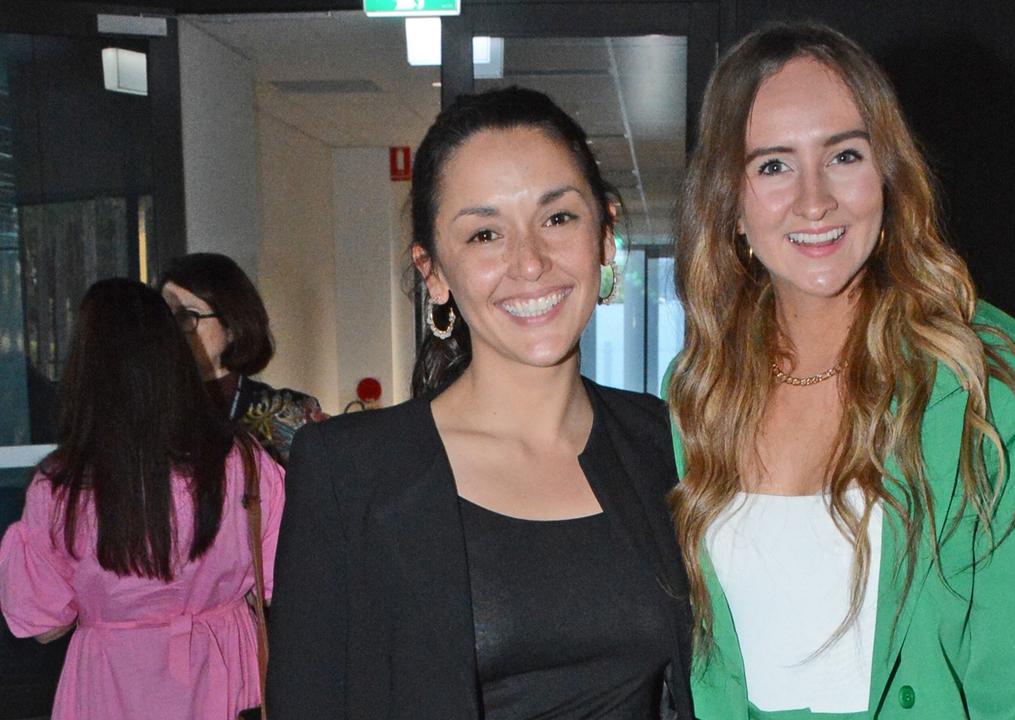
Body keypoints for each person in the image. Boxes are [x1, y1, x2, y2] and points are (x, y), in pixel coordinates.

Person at [664, 21, 1015, 719]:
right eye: (773, 165)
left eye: (844, 155)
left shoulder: (1010, 388)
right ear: (730, 204)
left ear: (888, 174)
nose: (813, 199)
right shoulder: (697, 393)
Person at [266, 87, 694, 719]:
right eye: (485, 233)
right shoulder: (348, 471)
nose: (529, 262)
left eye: (557, 218)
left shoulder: (665, 443)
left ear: (606, 235)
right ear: (433, 272)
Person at [0, 278, 284, 720]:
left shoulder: (62, 485)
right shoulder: (240, 461)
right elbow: (278, 578)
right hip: (223, 676)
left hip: (110, 686)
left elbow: (44, 625)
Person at [160, 253, 326, 465]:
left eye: (188, 316)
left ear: (231, 327)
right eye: (165, 314)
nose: (173, 328)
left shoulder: (290, 413)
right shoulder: (147, 409)